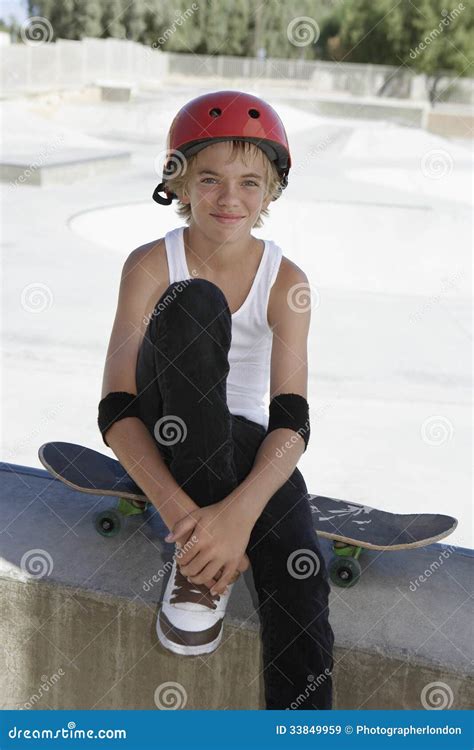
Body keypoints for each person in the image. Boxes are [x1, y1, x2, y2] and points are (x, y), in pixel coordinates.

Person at [98, 91, 334, 710]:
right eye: (210, 179)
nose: (231, 198)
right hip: (166, 423)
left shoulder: (288, 282)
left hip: (245, 441)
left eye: (250, 182)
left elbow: (291, 421)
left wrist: (239, 518)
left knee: (300, 562)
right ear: (178, 183)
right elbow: (116, 407)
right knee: (195, 301)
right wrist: (188, 520)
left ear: (273, 189)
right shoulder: (152, 264)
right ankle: (198, 573)